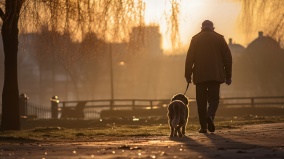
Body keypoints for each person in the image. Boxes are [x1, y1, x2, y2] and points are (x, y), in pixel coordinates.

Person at [185, 20, 232, 133]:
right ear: (213, 28)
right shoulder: (220, 38)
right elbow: (228, 59)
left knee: (201, 102)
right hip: (215, 75)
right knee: (214, 100)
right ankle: (210, 116)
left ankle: (203, 127)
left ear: (202, 28)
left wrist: (187, 75)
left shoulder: (195, 39)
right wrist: (228, 76)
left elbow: (189, 59)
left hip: (200, 76)